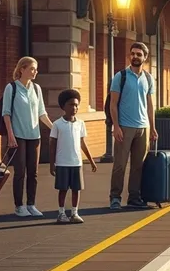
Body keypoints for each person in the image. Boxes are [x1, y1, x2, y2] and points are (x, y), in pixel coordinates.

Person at [108, 41, 157, 210]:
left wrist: (153, 127)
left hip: (143, 128)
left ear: (145, 57)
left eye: (139, 54)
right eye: (133, 54)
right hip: (124, 127)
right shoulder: (120, 76)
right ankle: (115, 198)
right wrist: (116, 126)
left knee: (138, 166)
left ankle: (134, 198)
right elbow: (113, 104)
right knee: (120, 165)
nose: (135, 57)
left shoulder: (149, 78)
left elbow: (150, 105)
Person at [2, 56, 53, 217]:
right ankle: (19, 206)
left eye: (36, 69)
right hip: (18, 136)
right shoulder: (11, 88)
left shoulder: (37, 89)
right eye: (32, 68)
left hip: (34, 136)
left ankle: (31, 204)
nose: (35, 71)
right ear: (22, 69)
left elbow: (42, 113)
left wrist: (56, 129)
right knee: (20, 172)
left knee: (34, 172)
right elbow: (6, 114)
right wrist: (10, 136)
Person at [49, 89, 97, 224]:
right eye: (71, 105)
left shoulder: (80, 124)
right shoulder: (57, 124)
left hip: (76, 163)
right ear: (63, 106)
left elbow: (82, 143)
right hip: (62, 163)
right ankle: (61, 213)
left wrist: (91, 161)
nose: (74, 108)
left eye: (76, 105)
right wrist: (52, 164)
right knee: (63, 189)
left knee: (76, 189)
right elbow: (52, 145)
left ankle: (74, 212)